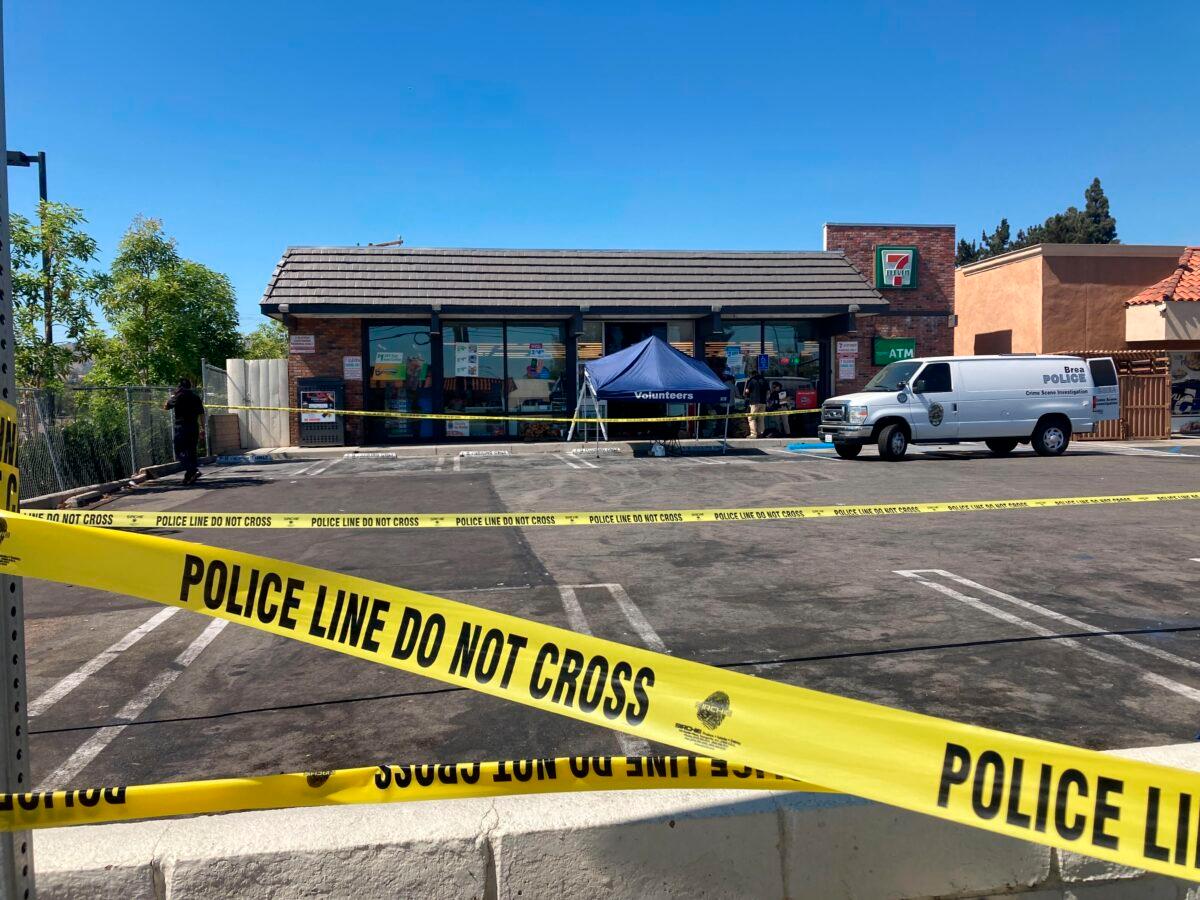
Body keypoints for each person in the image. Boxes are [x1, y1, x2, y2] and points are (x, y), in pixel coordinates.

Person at [164, 378, 205, 485]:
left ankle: (192, 470)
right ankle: (189, 476)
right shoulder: (196, 397)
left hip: (182, 427)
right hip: (194, 427)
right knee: (191, 451)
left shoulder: (178, 396)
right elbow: (201, 414)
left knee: (179, 451)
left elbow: (166, 407)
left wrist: (172, 397)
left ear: (180, 386)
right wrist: (202, 428)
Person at [743, 371, 769, 438]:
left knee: (752, 418)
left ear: (752, 374)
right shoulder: (764, 380)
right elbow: (768, 392)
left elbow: (746, 391)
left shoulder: (752, 381)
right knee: (761, 418)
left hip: (754, 402)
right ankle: (761, 433)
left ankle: (753, 434)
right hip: (763, 402)